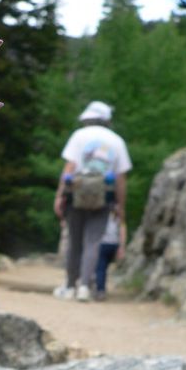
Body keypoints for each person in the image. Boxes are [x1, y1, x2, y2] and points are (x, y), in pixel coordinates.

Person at [53, 101, 132, 302]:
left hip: (76, 196)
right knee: (93, 242)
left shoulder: (79, 136)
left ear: (87, 118)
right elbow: (121, 179)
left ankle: (70, 286)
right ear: (107, 120)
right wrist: (121, 206)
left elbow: (69, 168)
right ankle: (85, 287)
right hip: (103, 197)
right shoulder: (117, 141)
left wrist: (60, 196)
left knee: (74, 241)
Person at [95, 212, 126, 301]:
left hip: (102, 243)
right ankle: (101, 287)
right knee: (104, 267)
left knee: (100, 268)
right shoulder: (118, 214)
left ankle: (100, 290)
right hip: (114, 244)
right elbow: (122, 230)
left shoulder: (101, 213)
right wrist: (122, 246)